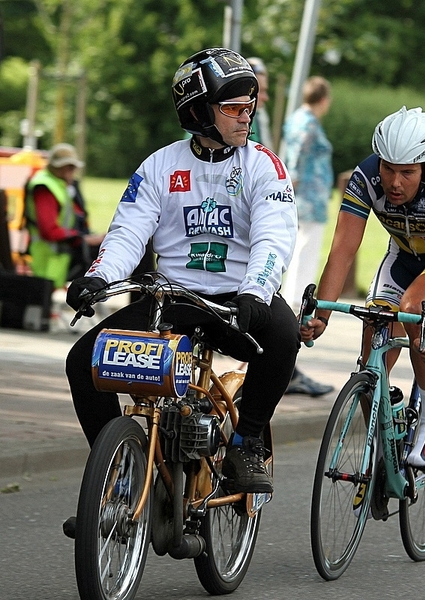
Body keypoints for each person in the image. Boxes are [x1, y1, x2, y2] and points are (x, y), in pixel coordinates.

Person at [63, 48, 300, 539]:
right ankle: (120, 478)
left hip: (238, 302)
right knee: (81, 363)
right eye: (232, 107)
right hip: (170, 301)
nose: (246, 115)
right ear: (197, 111)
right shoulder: (158, 167)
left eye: (249, 105)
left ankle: (247, 441)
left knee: (285, 336)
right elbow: (128, 232)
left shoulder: (264, 167)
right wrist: (98, 278)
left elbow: (274, 238)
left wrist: (257, 292)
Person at [301, 106, 425, 467]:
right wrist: (320, 315)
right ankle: (387, 419)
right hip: (404, 254)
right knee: (376, 329)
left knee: (416, 309)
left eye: (407, 172)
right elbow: (341, 251)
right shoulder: (366, 176)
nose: (395, 182)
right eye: (388, 168)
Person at [281, 76, 335, 397]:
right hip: (308, 199)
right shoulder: (308, 122)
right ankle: (296, 301)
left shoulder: (297, 118)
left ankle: (295, 297)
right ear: (323, 99)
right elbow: (298, 155)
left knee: (303, 253)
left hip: (308, 197)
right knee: (305, 255)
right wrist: (295, 181)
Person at [24, 143, 104, 288]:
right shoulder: (45, 187)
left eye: (72, 167)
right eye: (67, 167)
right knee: (42, 299)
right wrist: (83, 239)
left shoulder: (60, 184)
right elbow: (49, 231)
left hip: (59, 253)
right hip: (49, 256)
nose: (70, 171)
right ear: (56, 167)